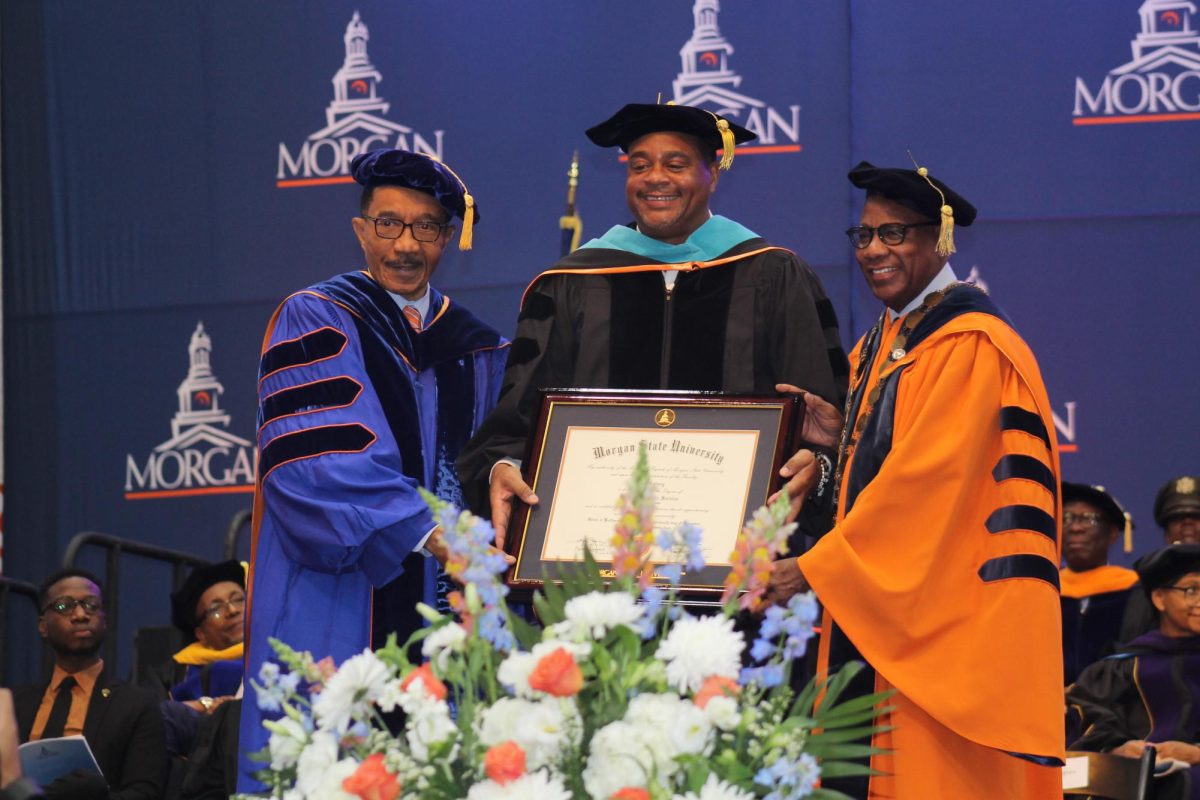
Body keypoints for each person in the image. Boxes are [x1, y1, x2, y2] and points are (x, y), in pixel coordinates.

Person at [765, 161, 1064, 797]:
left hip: (948, 626)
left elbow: (927, 490)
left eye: (895, 234)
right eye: (865, 235)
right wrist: (835, 438)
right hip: (890, 619)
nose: (875, 250)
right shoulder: (885, 341)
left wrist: (815, 569)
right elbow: (881, 466)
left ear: (940, 241)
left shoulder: (970, 343)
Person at [238, 149, 510, 792]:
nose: (406, 244)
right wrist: (429, 531)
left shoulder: (481, 348)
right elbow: (315, 457)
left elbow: (501, 462)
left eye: (426, 227)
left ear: (449, 238)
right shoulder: (317, 316)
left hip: (451, 599)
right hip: (343, 584)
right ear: (361, 231)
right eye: (389, 224)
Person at [457, 102, 849, 540]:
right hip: (595, 553)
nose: (656, 177)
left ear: (712, 175)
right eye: (640, 165)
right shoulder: (571, 282)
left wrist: (817, 459)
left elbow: (818, 412)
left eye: (676, 164)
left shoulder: (773, 275)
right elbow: (521, 415)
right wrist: (506, 464)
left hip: (736, 555)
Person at [12, 569, 166, 800]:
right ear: (43, 626)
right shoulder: (15, 703)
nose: (81, 614)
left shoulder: (136, 705)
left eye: (91, 605)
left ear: (104, 621)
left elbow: (146, 793)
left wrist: (96, 796)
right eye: (64, 606)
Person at [1067, 543, 1200, 800]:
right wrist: (1118, 749)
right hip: (1133, 780)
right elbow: (1083, 720)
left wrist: (1195, 754)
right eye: (1191, 589)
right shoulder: (1123, 667)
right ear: (1159, 598)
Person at [1059, 482, 1138, 684]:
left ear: (1112, 533)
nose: (1075, 527)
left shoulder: (1136, 592)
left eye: (1089, 519)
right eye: (1066, 518)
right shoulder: (1044, 591)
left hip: (1116, 708)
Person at [1120, 475, 1200, 642]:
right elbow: (1132, 637)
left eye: (1196, 517)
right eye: (1177, 518)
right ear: (1166, 532)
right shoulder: (1147, 585)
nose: (1187, 523)